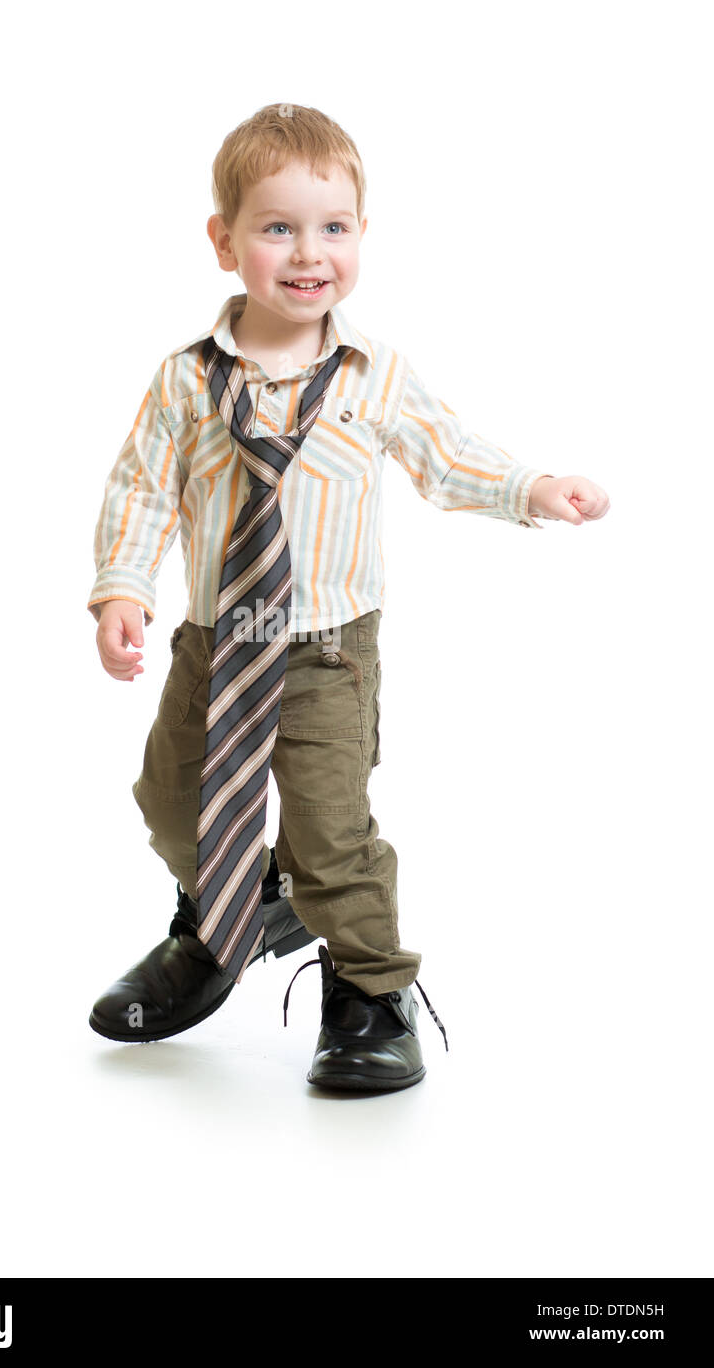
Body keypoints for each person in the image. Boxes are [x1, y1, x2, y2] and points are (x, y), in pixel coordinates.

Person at [85, 103, 610, 1093]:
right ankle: (235, 908)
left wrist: (530, 487)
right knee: (169, 797)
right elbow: (143, 488)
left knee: (332, 831)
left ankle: (370, 991)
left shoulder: (372, 375)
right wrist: (123, 587)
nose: (306, 252)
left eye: (331, 228)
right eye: (276, 226)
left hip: (327, 649)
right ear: (224, 240)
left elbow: (447, 454)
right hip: (212, 639)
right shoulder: (187, 382)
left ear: (361, 236)